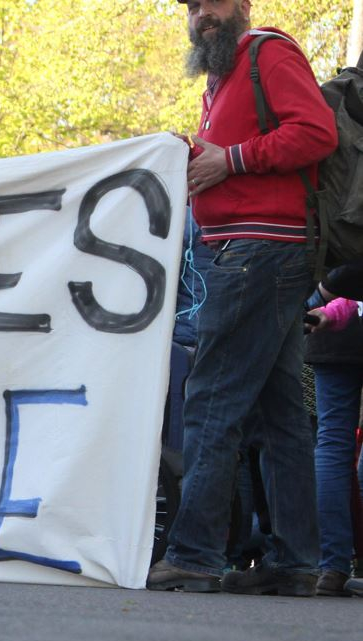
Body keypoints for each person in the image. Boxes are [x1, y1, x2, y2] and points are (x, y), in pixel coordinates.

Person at [147, 0, 336, 595]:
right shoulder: (224, 78)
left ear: (244, 6)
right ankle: (296, 561)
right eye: (192, 6)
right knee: (280, 415)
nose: (201, 14)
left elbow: (316, 133)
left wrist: (229, 159)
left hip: (258, 251)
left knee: (211, 399)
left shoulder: (267, 53)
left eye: (212, 2)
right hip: (258, 251)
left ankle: (194, 554)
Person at [305, 296, 363, 595]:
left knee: (331, 444)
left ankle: (332, 566)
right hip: (336, 319)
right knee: (333, 444)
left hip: (330, 330)